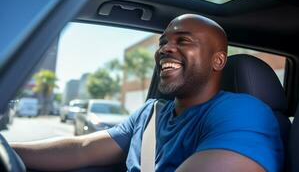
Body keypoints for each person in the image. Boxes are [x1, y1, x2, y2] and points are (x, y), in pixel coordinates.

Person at [12, 14, 283, 172]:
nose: (165, 48)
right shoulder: (150, 113)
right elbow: (83, 149)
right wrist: (8, 150)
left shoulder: (244, 113)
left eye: (183, 41)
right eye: (163, 42)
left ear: (218, 61)